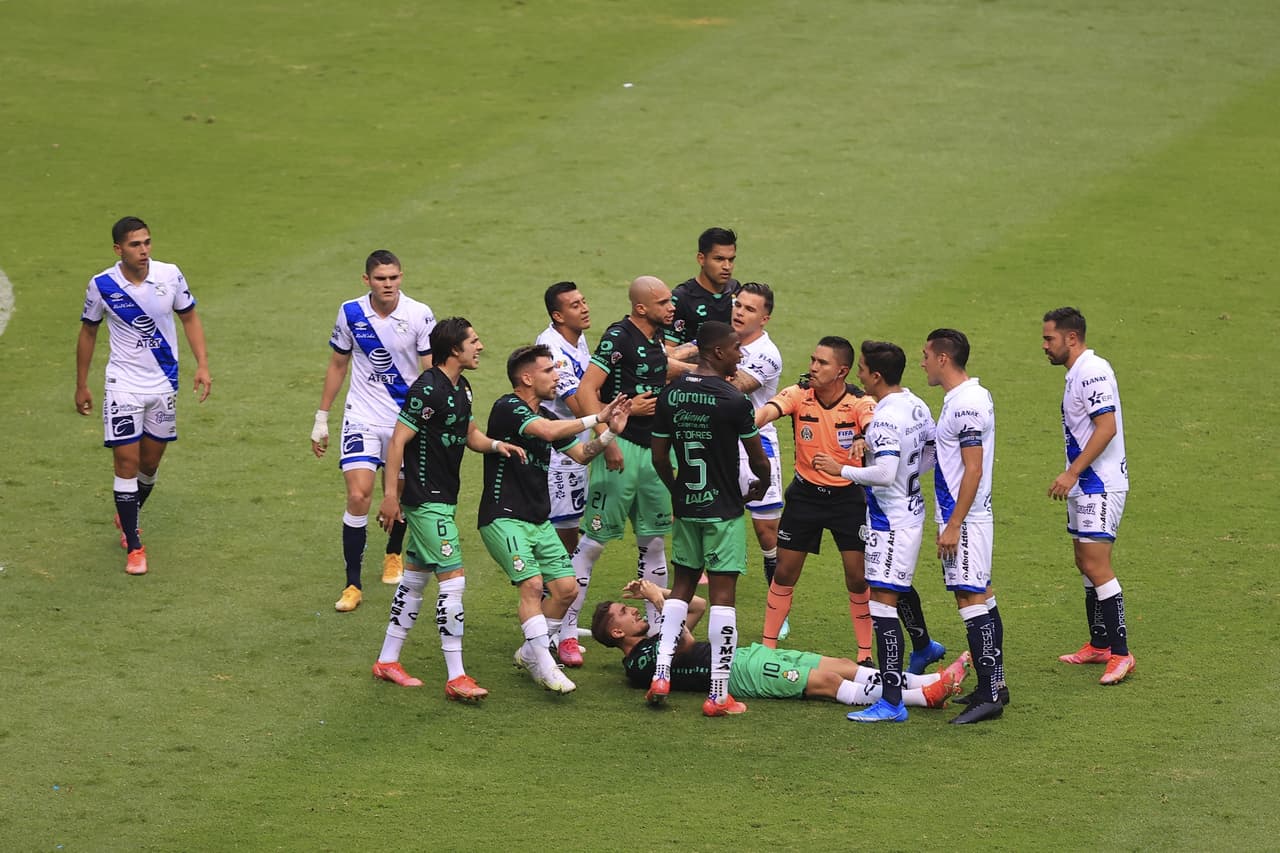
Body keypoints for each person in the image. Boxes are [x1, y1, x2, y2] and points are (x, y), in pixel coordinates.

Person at [370, 318, 525, 702]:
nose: (480, 346)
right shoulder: (427, 389)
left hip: (443, 498)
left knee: (416, 579)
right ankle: (456, 675)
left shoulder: (462, 388)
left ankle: (387, 660)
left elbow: (470, 434)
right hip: (426, 500)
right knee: (453, 581)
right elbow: (397, 442)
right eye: (473, 341)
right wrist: (390, 496)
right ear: (454, 349)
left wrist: (496, 446)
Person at [480, 345, 630, 694]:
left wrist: (610, 434)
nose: (556, 376)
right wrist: (599, 417)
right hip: (504, 518)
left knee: (566, 590)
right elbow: (547, 432)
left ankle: (530, 651)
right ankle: (545, 663)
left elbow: (580, 454)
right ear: (527, 377)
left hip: (537, 520)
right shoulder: (508, 407)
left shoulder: (546, 411)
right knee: (532, 586)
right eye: (549, 370)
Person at [75, 216, 212, 576]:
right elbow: (88, 332)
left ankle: (127, 516)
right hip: (123, 385)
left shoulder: (169, 276)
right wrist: (81, 383)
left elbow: (190, 317)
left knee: (150, 466)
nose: (144, 250)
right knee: (126, 464)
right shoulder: (103, 285)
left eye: (147, 242)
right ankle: (135, 546)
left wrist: (202, 364)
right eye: (136, 245)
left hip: (164, 383)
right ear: (119, 249)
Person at [591, 580, 968, 710]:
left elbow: (698, 606)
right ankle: (925, 697)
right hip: (739, 675)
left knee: (840, 664)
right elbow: (686, 643)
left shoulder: (652, 639)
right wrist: (659, 603)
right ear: (618, 634)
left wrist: (664, 596)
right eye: (625, 612)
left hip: (746, 655)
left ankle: (926, 682)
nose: (633, 611)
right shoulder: (639, 664)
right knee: (827, 684)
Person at [648, 321, 770, 715]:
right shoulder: (733, 399)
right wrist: (761, 485)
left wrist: (677, 490)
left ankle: (660, 673)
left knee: (681, 588)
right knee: (722, 597)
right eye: (736, 348)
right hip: (724, 510)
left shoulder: (670, 394)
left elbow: (659, 457)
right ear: (717, 352)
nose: (740, 354)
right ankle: (718, 693)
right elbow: (757, 458)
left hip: (688, 506)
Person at [814, 341, 937, 723]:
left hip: (890, 523)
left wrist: (841, 470)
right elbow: (931, 450)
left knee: (881, 609)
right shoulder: (914, 403)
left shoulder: (884, 418)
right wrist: (906, 475)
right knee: (890, 598)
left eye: (863, 370)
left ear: (877, 375)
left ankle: (892, 703)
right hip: (910, 512)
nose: (860, 376)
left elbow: (883, 474)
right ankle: (917, 658)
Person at [556, 276, 676, 666]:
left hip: (656, 452)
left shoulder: (656, 337)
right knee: (591, 544)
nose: (671, 307)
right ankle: (566, 633)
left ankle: (659, 632)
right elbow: (589, 391)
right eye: (663, 302)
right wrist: (606, 438)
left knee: (654, 543)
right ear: (641, 307)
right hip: (622, 450)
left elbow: (659, 371)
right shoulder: (618, 337)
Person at [311, 250, 435, 613]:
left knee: (397, 496)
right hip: (361, 416)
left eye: (394, 278)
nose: (389, 285)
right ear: (367, 280)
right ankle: (352, 583)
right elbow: (338, 364)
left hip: (404, 421)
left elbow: (429, 371)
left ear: (401, 276)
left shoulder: (418, 314)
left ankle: (393, 553)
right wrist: (321, 418)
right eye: (381, 279)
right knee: (358, 496)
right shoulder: (350, 312)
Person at [753, 336, 876, 660]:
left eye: (822, 363)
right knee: (784, 572)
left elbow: (872, 423)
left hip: (848, 499)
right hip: (805, 497)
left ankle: (865, 654)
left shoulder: (858, 401)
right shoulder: (799, 394)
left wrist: (864, 437)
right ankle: (768, 648)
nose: (813, 367)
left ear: (842, 371)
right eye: (813, 360)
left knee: (857, 576)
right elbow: (767, 412)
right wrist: (746, 424)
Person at [1042, 307, 1135, 685]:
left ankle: (1122, 653)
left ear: (1071, 338)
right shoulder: (1075, 373)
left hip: (1099, 483)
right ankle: (1099, 644)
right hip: (1086, 485)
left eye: (1049, 338)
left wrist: (1073, 471)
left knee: (1097, 564)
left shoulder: (1093, 371)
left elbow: (1107, 426)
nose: (1044, 345)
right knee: (1084, 561)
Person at [920, 329, 1007, 724]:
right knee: (982, 596)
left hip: (966, 519)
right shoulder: (965, 397)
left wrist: (954, 524)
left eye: (925, 355)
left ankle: (989, 694)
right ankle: (995, 685)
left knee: (969, 600)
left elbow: (973, 468)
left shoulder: (966, 403)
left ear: (942, 358)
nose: (921, 362)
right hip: (967, 516)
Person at [728, 283, 787, 632]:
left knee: (767, 532)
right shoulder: (724, 340)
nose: (739, 312)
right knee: (718, 522)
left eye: (749, 309)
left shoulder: (767, 354)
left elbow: (735, 387)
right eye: (738, 305)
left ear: (764, 318)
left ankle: (779, 610)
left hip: (756, 447)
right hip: (720, 447)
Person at [534, 282, 593, 558]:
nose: (585, 308)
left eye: (583, 301)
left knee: (570, 531)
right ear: (558, 316)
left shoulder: (577, 337)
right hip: (558, 457)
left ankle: (557, 597)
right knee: (562, 542)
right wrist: (621, 411)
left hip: (577, 450)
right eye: (575, 305)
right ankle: (549, 599)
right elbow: (581, 407)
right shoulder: (552, 350)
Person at [665, 227, 740, 351]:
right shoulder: (681, 298)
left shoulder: (736, 290)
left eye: (731, 260)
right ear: (701, 259)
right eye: (719, 259)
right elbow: (668, 352)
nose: (727, 266)